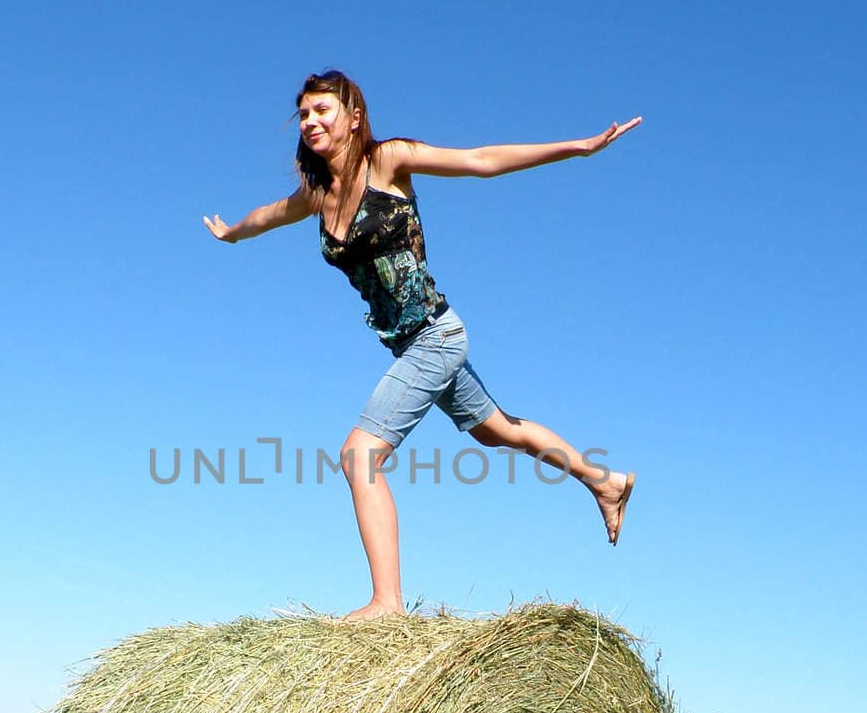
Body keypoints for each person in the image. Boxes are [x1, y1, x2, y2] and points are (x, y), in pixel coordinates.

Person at [203, 70, 640, 623]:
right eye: (305, 114)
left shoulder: (387, 161)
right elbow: (267, 216)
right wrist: (233, 233)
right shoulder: (317, 196)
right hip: (410, 345)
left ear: (354, 115)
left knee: (359, 455)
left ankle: (387, 603)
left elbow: (481, 160)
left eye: (323, 110)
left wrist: (576, 148)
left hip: (436, 336)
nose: (311, 121)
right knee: (498, 431)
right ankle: (604, 481)